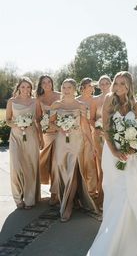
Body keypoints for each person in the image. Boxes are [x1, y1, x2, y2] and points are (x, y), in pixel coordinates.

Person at [87, 71, 137, 256]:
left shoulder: (136, 104)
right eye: (116, 83)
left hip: (131, 156)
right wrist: (116, 151)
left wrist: (132, 149)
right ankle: (112, 237)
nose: (117, 87)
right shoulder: (109, 99)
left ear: (129, 86)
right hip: (112, 154)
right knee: (116, 191)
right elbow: (106, 128)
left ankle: (131, 240)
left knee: (131, 190)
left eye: (122, 84)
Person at [50, 79, 97, 222]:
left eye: (69, 87)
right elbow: (51, 123)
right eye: (63, 87)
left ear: (75, 89)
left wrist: (92, 144)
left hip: (77, 141)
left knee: (73, 171)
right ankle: (69, 197)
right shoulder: (56, 104)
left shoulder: (81, 105)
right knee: (61, 169)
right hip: (61, 141)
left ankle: (68, 204)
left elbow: (85, 127)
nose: (66, 90)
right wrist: (60, 128)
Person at [6, 77, 43, 209]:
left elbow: (38, 120)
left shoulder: (35, 101)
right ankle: (17, 198)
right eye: (23, 87)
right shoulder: (11, 101)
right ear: (18, 88)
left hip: (31, 136)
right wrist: (18, 124)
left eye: (28, 87)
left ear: (31, 88)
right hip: (16, 136)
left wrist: (41, 139)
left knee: (30, 166)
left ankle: (29, 199)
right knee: (16, 166)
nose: (25, 89)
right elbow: (8, 120)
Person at [36, 75, 61, 206]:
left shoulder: (60, 95)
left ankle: (54, 193)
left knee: (57, 163)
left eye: (49, 82)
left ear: (52, 83)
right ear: (40, 85)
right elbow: (38, 119)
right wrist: (40, 137)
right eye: (44, 82)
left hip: (60, 134)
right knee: (45, 163)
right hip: (46, 134)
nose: (47, 84)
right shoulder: (39, 99)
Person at [90, 75, 112, 208]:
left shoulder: (115, 98)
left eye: (106, 83)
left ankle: (111, 195)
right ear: (99, 85)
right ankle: (101, 197)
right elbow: (91, 119)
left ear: (110, 84)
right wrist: (97, 129)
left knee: (111, 165)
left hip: (112, 136)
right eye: (102, 84)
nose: (104, 86)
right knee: (101, 165)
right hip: (98, 136)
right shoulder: (95, 100)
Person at [77, 78, 98, 198]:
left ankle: (92, 190)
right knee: (81, 163)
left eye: (92, 85)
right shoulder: (76, 101)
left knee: (91, 162)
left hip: (94, 134)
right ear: (83, 87)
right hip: (80, 135)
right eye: (89, 85)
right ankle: (81, 190)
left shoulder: (96, 100)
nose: (91, 87)